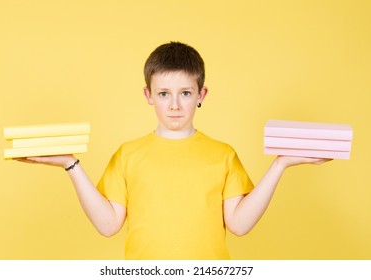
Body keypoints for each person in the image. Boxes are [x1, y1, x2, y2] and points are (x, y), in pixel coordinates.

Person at [17, 42, 330, 259]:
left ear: (201, 94)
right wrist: (70, 164)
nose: (175, 105)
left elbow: (239, 225)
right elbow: (108, 225)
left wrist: (280, 164)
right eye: (164, 93)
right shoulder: (128, 154)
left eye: (185, 93)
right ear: (148, 95)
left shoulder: (223, 154)